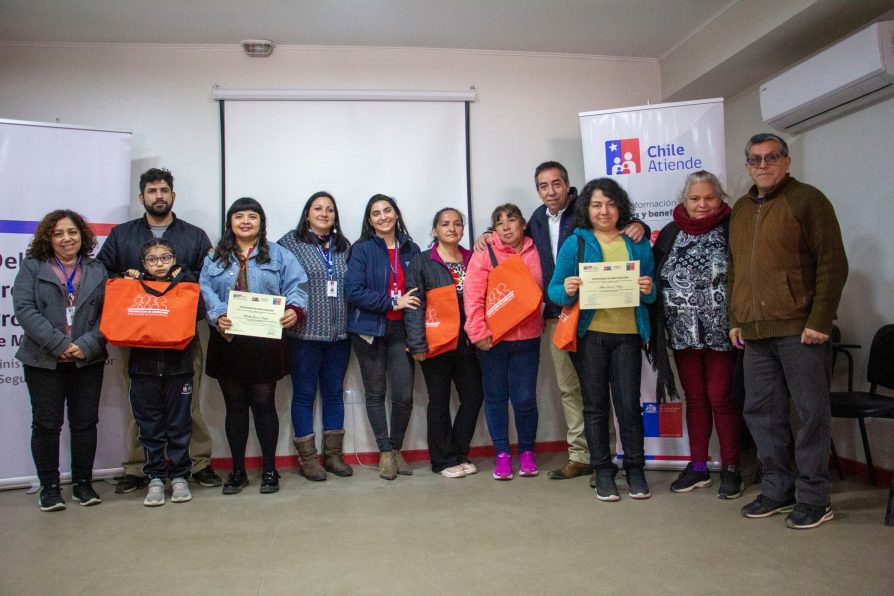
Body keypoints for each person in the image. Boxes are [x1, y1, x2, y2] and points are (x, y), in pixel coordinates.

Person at [476, 161, 647, 484]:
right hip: (557, 317)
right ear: (537, 190)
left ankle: (606, 459)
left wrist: (641, 225)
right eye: (543, 186)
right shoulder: (537, 220)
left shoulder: (585, 212)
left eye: (556, 184)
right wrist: (488, 233)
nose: (550, 191)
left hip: (597, 317)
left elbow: (618, 226)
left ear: (568, 185)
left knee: (602, 390)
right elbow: (508, 235)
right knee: (571, 389)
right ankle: (582, 456)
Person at [729, 133, 847, 529]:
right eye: (755, 159)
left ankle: (815, 497)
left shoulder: (808, 200)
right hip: (755, 334)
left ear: (787, 161)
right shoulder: (741, 210)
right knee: (762, 414)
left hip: (800, 331)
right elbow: (735, 272)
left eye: (771, 157)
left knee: (811, 414)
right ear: (747, 165)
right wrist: (736, 319)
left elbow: (833, 263)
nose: (763, 165)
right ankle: (777, 489)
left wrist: (819, 321)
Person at [96, 167, 222, 492]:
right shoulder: (121, 235)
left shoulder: (194, 236)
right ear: (142, 198)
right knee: (141, 405)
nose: (158, 196)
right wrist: (127, 278)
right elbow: (101, 273)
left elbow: (207, 280)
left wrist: (183, 281)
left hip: (182, 336)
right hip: (136, 336)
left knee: (188, 403)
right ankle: (139, 468)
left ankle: (198, 463)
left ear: (173, 195)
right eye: (151, 191)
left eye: (164, 190)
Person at [548, 178, 656, 501]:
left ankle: (635, 470)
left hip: (627, 336)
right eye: (596, 204)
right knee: (594, 407)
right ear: (587, 208)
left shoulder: (636, 241)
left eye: (610, 204)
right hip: (590, 336)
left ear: (619, 206)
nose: (604, 211)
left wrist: (649, 290)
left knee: (628, 406)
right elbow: (554, 289)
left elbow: (652, 294)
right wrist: (565, 289)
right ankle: (603, 471)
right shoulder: (575, 243)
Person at [200, 197, 308, 495]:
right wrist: (218, 313)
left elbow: (297, 287)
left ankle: (270, 470)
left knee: (263, 405)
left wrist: (295, 310)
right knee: (234, 408)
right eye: (239, 216)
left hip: (265, 340)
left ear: (261, 222)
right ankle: (236, 471)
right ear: (230, 223)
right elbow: (205, 289)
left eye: (252, 216)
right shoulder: (215, 258)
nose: (245, 221)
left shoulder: (280, 255)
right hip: (228, 339)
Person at [651, 171, 744, 499]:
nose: (702, 204)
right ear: (684, 200)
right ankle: (699, 466)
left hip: (724, 335)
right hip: (682, 334)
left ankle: (732, 467)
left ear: (721, 199)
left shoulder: (734, 228)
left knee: (721, 398)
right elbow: (655, 272)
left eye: (709, 197)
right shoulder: (671, 232)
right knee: (696, 399)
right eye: (695, 198)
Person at [13, 210, 107, 511]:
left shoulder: (96, 268)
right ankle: (50, 487)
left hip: (86, 360)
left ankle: (83, 484)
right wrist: (60, 344)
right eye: (58, 233)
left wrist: (85, 345)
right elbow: (25, 310)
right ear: (48, 238)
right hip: (44, 360)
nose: (66, 239)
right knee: (46, 424)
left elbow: (109, 315)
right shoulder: (32, 267)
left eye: (72, 232)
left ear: (82, 236)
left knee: (84, 424)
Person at [277, 192, 353, 481]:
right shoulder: (289, 244)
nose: (324, 213)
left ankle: (333, 456)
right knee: (305, 396)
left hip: (340, 336)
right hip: (304, 336)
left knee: (334, 395)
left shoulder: (344, 247)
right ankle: (308, 459)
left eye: (330, 209)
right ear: (307, 213)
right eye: (318, 208)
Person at [345, 194, 421, 480]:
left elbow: (420, 289)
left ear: (396, 214)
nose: (383, 217)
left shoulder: (411, 249)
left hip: (403, 331)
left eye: (387, 210)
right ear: (369, 220)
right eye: (375, 213)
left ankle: (396, 449)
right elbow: (353, 290)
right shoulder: (362, 249)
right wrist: (392, 303)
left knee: (403, 395)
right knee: (375, 394)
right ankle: (385, 453)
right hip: (369, 332)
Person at [123, 239, 205, 506]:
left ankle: (180, 476)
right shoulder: (133, 287)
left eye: (165, 257)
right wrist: (129, 282)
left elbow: (200, 313)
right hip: (143, 368)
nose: (159, 264)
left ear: (174, 259)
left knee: (180, 425)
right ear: (143, 263)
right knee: (149, 426)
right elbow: (122, 316)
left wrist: (184, 280)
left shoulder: (185, 284)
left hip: (178, 367)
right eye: (152, 259)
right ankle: (155, 477)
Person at [464, 204, 543, 480]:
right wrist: (477, 333)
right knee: (496, 398)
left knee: (524, 399)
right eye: (499, 223)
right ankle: (501, 454)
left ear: (523, 223)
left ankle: (527, 453)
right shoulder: (485, 253)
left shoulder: (538, 250)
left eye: (511, 220)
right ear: (493, 230)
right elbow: (472, 296)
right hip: (493, 341)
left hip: (529, 338)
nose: (506, 226)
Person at [405, 208, 484, 478]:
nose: (452, 228)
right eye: (445, 224)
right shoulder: (423, 261)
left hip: (468, 342)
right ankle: (442, 460)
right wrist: (417, 344)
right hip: (435, 343)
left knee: (473, 397)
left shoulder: (474, 259)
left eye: (458, 224)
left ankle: (459, 453)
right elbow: (414, 305)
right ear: (435, 230)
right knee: (438, 400)